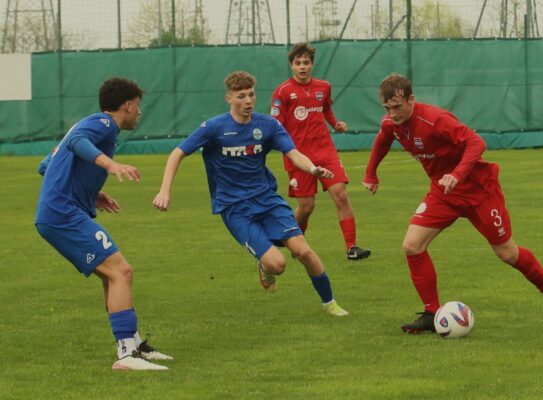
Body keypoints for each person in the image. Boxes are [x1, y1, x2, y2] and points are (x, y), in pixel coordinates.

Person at [362, 73, 543, 333]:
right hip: (443, 191)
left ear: (411, 99)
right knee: (412, 246)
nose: (392, 114)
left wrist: (457, 174)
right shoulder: (391, 123)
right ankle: (431, 313)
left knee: (506, 253)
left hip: (479, 190)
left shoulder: (434, 119)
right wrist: (371, 173)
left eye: (397, 107)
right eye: (387, 108)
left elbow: (476, 143)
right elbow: (382, 140)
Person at [153, 71, 348, 317]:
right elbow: (177, 153)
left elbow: (293, 153)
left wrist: (312, 168)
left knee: (303, 251)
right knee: (278, 265)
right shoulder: (214, 128)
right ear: (229, 99)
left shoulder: (267, 125)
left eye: (251, 95)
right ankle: (265, 265)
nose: (248, 101)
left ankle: (330, 304)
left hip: (267, 199)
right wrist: (164, 190)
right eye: (241, 96)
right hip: (235, 208)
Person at [35, 77, 172, 370]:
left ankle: (133, 346)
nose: (139, 112)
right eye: (138, 106)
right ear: (128, 104)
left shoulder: (88, 124)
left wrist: (92, 193)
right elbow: (75, 143)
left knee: (114, 275)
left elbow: (46, 166)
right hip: (63, 215)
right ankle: (126, 355)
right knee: (121, 271)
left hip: (62, 212)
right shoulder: (105, 124)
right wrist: (111, 165)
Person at [271, 42, 370, 261]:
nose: (302, 66)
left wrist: (335, 125)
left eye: (306, 62)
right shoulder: (283, 91)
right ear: (291, 66)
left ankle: (352, 247)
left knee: (341, 195)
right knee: (306, 207)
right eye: (298, 63)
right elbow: (275, 123)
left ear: (312, 64)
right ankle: (296, 242)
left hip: (325, 151)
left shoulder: (323, 87)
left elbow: (325, 108)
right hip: (298, 156)